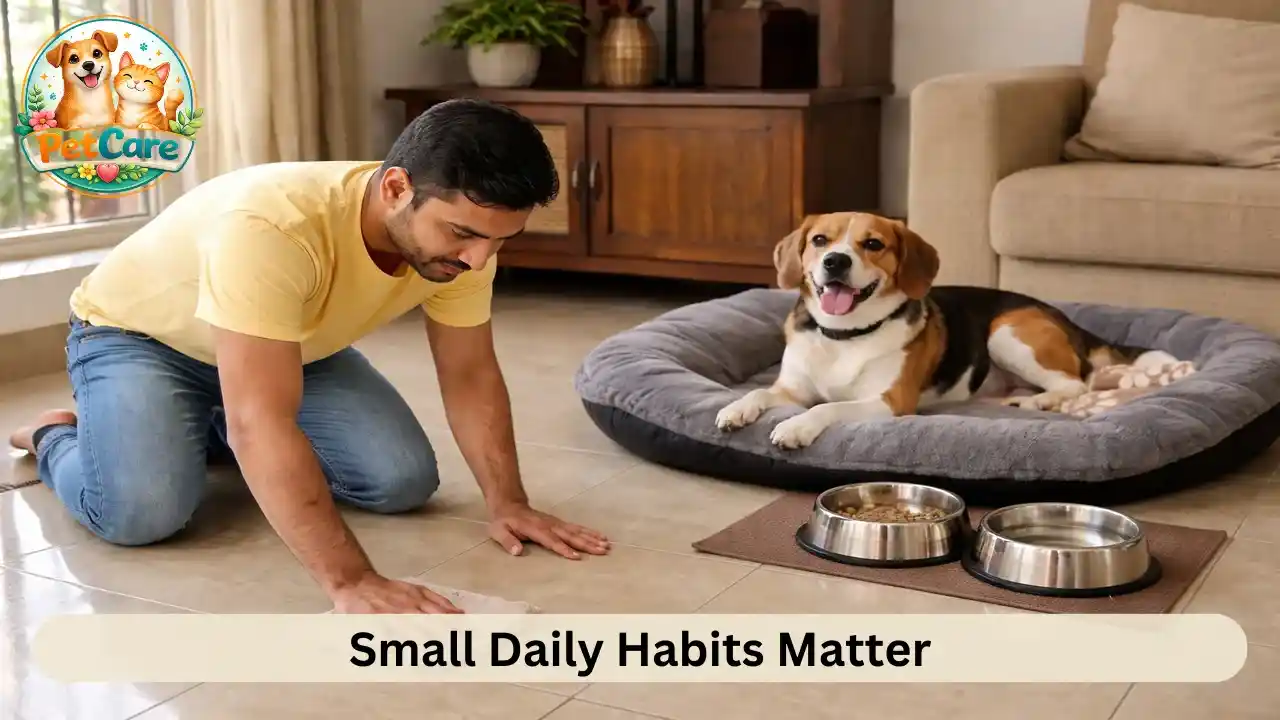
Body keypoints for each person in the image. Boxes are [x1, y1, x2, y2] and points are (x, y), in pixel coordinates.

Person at [6, 98, 610, 614]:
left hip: (284, 341)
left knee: (400, 480)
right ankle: (58, 435)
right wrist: (351, 580)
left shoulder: (466, 244)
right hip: (139, 338)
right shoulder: (275, 225)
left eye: (498, 240)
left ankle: (192, 428)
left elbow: (470, 371)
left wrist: (509, 502)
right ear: (397, 186)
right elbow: (261, 420)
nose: (478, 260)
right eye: (462, 234)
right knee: (142, 516)